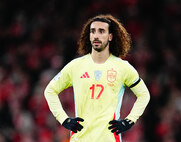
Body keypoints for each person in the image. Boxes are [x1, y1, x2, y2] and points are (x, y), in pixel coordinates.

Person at [44, 14, 150, 142]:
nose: (96, 35)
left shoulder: (123, 68)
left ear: (110, 36)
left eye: (101, 31)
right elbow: (50, 91)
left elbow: (144, 94)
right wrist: (64, 119)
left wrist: (129, 121)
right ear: (89, 36)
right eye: (93, 31)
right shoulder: (75, 66)